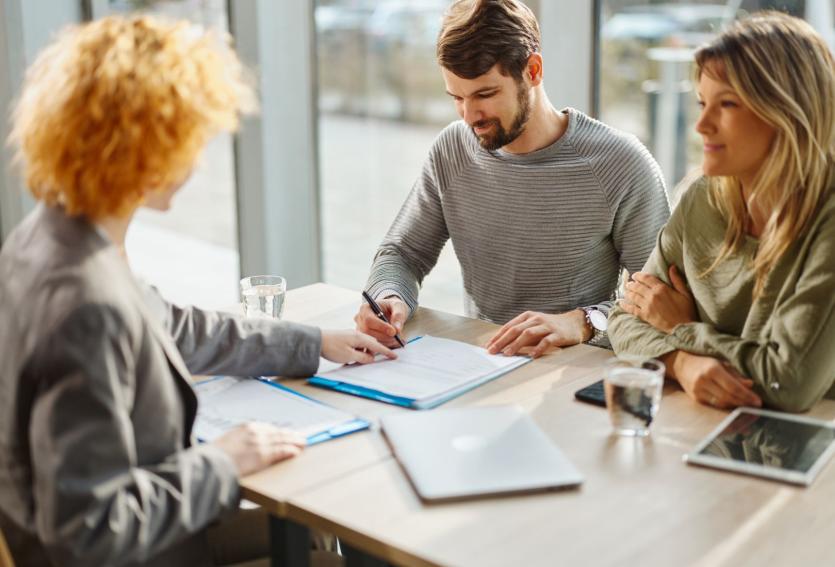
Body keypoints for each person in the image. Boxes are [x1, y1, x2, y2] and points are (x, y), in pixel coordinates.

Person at [0, 15, 393, 567]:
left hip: (131, 539)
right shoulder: (88, 303)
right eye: (190, 139)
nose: (198, 158)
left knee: (312, 542)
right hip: (135, 553)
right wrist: (224, 463)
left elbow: (175, 326)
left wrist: (314, 343)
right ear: (148, 153)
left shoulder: (47, 237)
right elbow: (86, 531)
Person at [353, 0, 669, 356]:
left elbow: (663, 302)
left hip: (574, 372)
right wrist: (389, 296)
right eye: (457, 97)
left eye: (484, 94)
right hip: (483, 364)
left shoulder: (620, 164)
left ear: (533, 71)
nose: (470, 116)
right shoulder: (453, 149)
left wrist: (581, 323)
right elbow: (404, 253)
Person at [608, 12, 835, 413]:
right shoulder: (700, 198)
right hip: (704, 423)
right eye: (701, 103)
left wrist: (680, 328)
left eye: (726, 104)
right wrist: (681, 362)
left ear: (786, 113)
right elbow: (625, 321)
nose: (701, 125)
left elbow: (789, 381)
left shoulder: (827, 219)